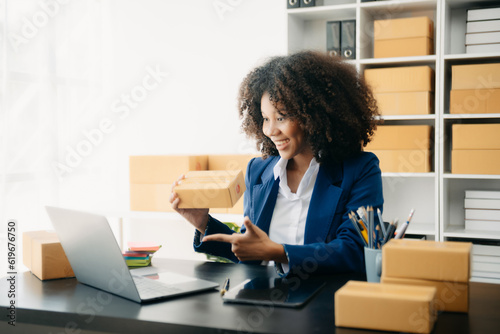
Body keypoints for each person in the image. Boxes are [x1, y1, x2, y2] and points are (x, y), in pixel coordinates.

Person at [170, 50, 383, 277]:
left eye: (281, 117)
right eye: (265, 118)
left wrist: (279, 252)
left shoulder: (360, 169)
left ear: (313, 114)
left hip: (325, 303)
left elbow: (355, 251)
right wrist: (204, 223)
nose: (270, 130)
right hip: (265, 301)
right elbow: (251, 250)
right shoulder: (259, 171)